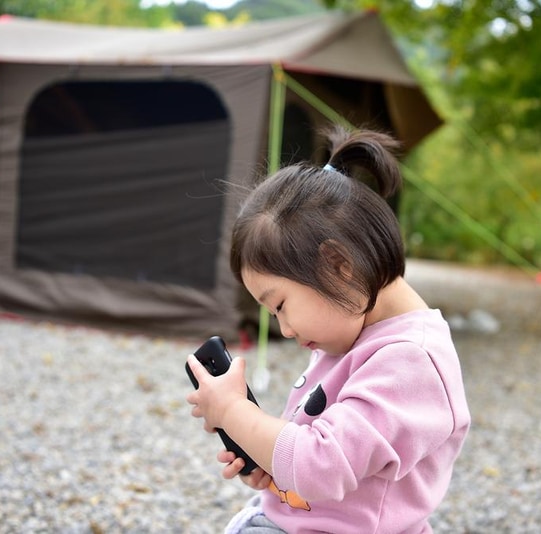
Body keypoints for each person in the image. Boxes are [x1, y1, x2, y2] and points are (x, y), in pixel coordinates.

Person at [186, 125, 470, 533]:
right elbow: (315, 452)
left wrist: (233, 411)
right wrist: (267, 457)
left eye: (280, 305)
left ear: (337, 265)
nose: (284, 329)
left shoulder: (411, 362)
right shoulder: (350, 335)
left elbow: (320, 465)